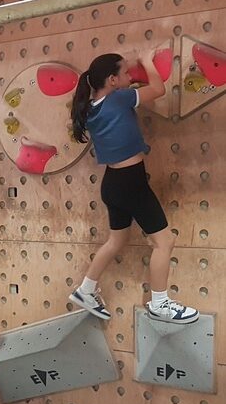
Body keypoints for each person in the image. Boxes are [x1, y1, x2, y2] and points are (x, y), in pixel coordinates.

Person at [68, 49, 199, 325]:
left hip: (113, 184)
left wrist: (132, 71)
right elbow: (158, 89)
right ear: (112, 80)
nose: (130, 77)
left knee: (116, 241)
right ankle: (160, 304)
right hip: (131, 183)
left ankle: (86, 290)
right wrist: (147, 62)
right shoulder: (119, 98)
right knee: (165, 241)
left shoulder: (90, 109)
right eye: (126, 73)